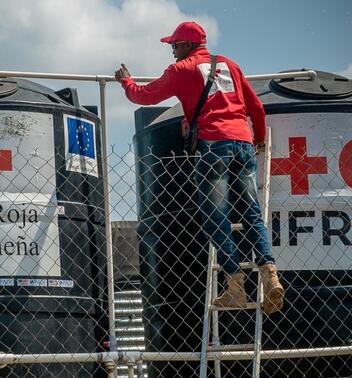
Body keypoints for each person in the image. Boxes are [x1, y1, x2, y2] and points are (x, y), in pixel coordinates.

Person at [114, 21, 285, 314]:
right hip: (242, 143)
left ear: (186, 45)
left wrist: (126, 82)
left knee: (215, 217)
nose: (172, 53)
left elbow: (143, 96)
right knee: (252, 214)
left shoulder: (181, 70)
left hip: (213, 146)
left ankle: (234, 286)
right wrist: (256, 140)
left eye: (174, 46)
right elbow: (256, 107)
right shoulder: (230, 65)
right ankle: (270, 273)